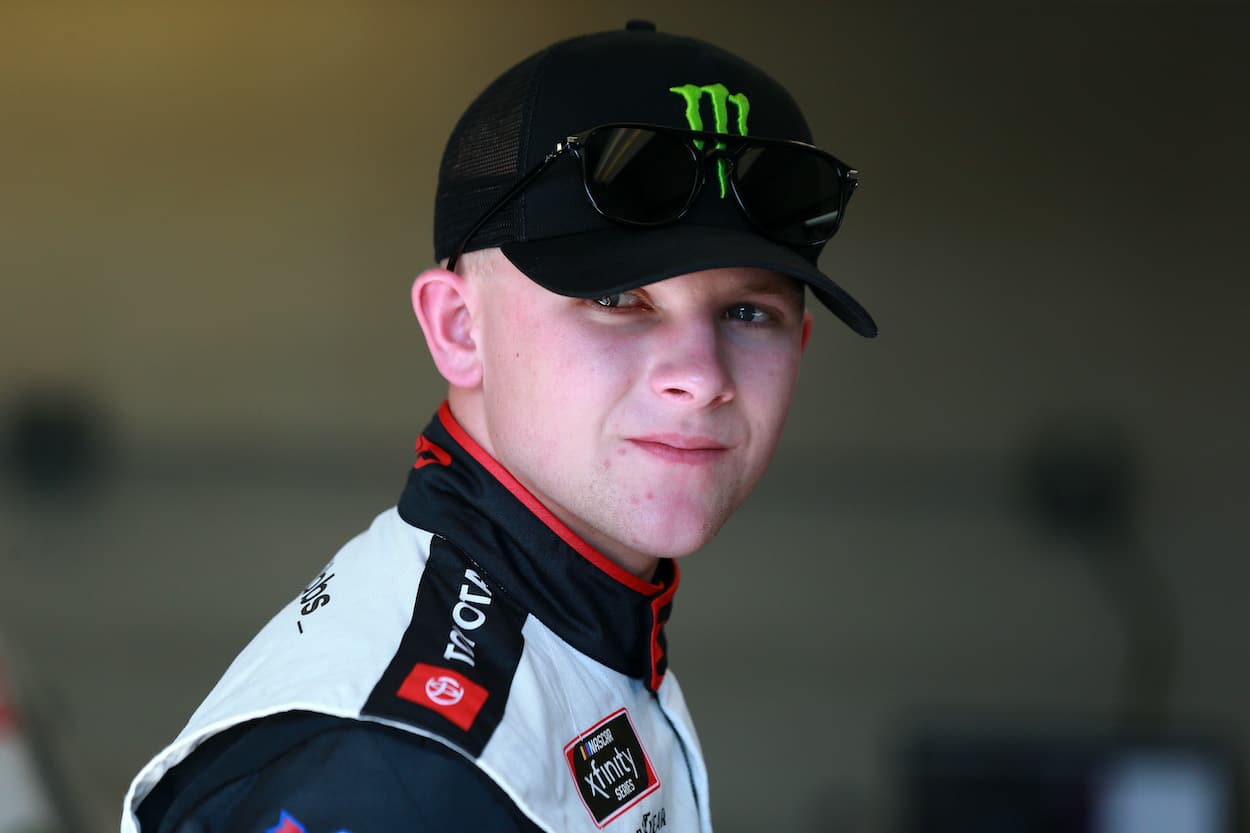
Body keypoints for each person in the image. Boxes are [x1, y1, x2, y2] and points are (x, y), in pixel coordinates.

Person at [121, 19, 876, 833]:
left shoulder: (586, 631)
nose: (701, 375)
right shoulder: (396, 773)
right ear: (458, 329)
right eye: (619, 299)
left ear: (799, 345)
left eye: (746, 311)